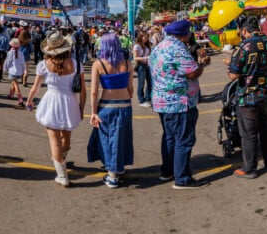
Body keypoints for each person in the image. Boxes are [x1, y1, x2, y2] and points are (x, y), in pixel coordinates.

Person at [149, 19, 210, 189]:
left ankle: (167, 171)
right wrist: (202, 63)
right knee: (184, 139)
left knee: (169, 137)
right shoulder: (178, 49)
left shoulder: (159, 47)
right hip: (178, 102)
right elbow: (192, 73)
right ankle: (182, 178)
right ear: (184, 34)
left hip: (162, 100)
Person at [26, 29, 86, 188]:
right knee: (66, 137)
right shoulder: (76, 64)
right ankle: (61, 160)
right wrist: (81, 108)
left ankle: (62, 174)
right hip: (70, 102)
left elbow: (35, 87)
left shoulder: (44, 65)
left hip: (51, 102)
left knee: (55, 141)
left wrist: (29, 100)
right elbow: (83, 91)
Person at [227, 16, 267, 178]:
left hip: (248, 97)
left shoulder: (243, 47)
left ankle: (249, 169)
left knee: (249, 134)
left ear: (244, 30)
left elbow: (233, 75)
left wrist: (230, 65)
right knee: (266, 129)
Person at [87, 32, 134, 187]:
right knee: (122, 137)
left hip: (106, 105)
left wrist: (93, 112)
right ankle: (119, 168)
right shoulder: (127, 63)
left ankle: (112, 175)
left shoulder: (98, 64)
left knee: (108, 140)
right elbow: (130, 89)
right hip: (125, 105)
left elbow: (94, 91)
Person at [4, 38, 26, 106]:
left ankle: (20, 99)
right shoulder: (21, 53)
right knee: (14, 83)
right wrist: (23, 70)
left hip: (13, 71)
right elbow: (23, 62)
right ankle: (11, 94)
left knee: (16, 85)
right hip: (19, 71)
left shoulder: (10, 52)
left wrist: (5, 69)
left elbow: (8, 61)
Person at [133, 31, 152, 106]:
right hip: (141, 66)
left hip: (147, 65)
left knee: (150, 83)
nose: (147, 39)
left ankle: (147, 98)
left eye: (147, 37)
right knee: (141, 84)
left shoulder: (147, 45)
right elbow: (135, 58)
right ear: (140, 37)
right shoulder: (137, 46)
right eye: (145, 37)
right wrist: (146, 57)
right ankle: (141, 100)